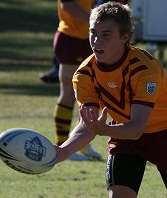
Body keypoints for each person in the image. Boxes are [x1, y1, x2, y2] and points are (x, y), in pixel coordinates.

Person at [55, 2, 167, 197]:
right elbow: (87, 124)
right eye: (93, 32)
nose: (97, 40)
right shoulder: (84, 75)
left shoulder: (144, 69)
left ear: (125, 36)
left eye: (106, 34)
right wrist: (63, 151)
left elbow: (137, 127)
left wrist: (105, 129)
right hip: (123, 135)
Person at [52, 0, 102, 161]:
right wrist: (96, 21)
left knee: (91, 94)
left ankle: (82, 144)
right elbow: (67, 5)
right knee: (68, 93)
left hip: (91, 38)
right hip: (70, 39)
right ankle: (62, 145)